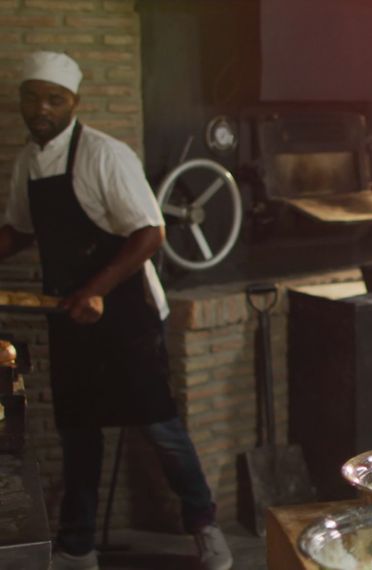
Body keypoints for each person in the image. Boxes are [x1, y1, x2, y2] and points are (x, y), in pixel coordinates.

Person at [0, 51, 232, 570]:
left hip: (127, 314)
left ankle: (204, 528)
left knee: (161, 429)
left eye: (54, 99)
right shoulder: (27, 163)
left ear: (74, 103)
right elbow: (20, 229)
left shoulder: (105, 156)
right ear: (20, 101)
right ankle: (80, 547)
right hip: (69, 316)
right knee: (78, 432)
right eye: (33, 96)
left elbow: (151, 232)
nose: (42, 107)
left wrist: (97, 289)